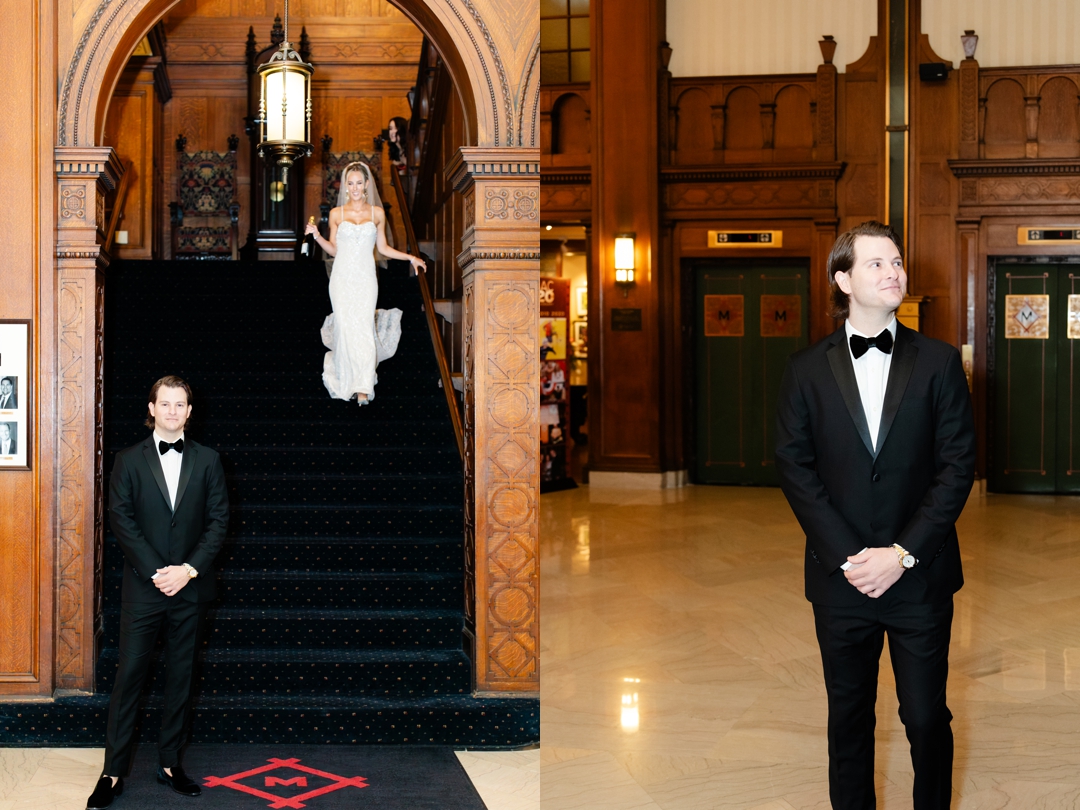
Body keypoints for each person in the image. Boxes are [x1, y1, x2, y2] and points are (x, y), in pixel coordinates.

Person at [774, 221, 975, 810]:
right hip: (842, 581)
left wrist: (903, 554)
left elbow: (957, 467)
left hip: (921, 576)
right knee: (849, 719)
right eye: (877, 264)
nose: (894, 273)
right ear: (844, 279)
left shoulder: (938, 363)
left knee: (924, 718)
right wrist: (851, 559)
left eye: (897, 262)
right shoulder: (805, 369)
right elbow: (795, 468)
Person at [86, 376, 229, 810]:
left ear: (189, 411)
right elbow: (121, 520)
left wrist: (186, 571)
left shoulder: (209, 460)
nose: (171, 411)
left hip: (190, 589)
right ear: (151, 409)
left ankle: (170, 764)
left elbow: (219, 521)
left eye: (179, 404)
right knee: (129, 678)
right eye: (163, 403)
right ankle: (112, 772)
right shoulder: (127, 460)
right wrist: (157, 573)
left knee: (180, 679)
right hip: (144, 591)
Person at [305, 162, 425, 405]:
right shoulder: (337, 214)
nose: (355, 187)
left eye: (359, 183)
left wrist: (411, 257)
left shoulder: (377, 214)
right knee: (346, 326)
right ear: (345, 187)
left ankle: (363, 384)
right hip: (341, 278)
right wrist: (316, 235)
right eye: (350, 183)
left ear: (367, 185)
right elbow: (335, 250)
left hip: (366, 278)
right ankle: (348, 379)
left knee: (363, 327)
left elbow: (383, 248)